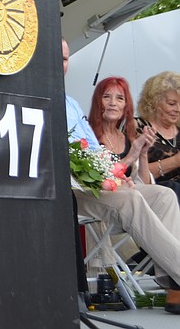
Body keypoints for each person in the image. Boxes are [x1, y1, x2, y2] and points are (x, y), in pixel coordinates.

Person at [62, 38, 180, 313]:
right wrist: (124, 164)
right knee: (131, 199)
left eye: (65, 59)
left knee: (164, 195)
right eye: (107, 97)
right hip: (72, 191)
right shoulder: (39, 102)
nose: (113, 103)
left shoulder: (71, 104)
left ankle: (173, 286)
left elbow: (94, 155)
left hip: (100, 185)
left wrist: (118, 174)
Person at [87, 76, 156, 183]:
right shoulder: (87, 136)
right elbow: (97, 180)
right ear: (97, 102)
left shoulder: (129, 139)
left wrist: (143, 153)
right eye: (106, 97)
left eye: (120, 98)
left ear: (126, 106)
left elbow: (145, 184)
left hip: (131, 191)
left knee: (165, 191)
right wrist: (129, 158)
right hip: (102, 192)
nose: (112, 103)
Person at [136, 71, 180, 191]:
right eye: (172, 104)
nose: (178, 109)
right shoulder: (138, 127)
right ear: (154, 103)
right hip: (158, 193)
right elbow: (134, 172)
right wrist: (175, 161)